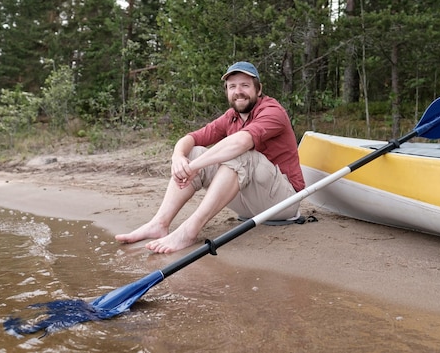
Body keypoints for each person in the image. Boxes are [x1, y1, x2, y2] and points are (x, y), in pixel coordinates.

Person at [115, 61, 305, 253]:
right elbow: (191, 138)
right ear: (227, 92)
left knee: (241, 154)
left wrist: (194, 167)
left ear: (259, 89)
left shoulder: (272, 111)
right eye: (232, 86)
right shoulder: (231, 116)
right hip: (250, 206)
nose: (238, 91)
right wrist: (178, 157)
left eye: (245, 85)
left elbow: (241, 143)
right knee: (193, 151)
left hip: (283, 203)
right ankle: (159, 224)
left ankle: (189, 231)